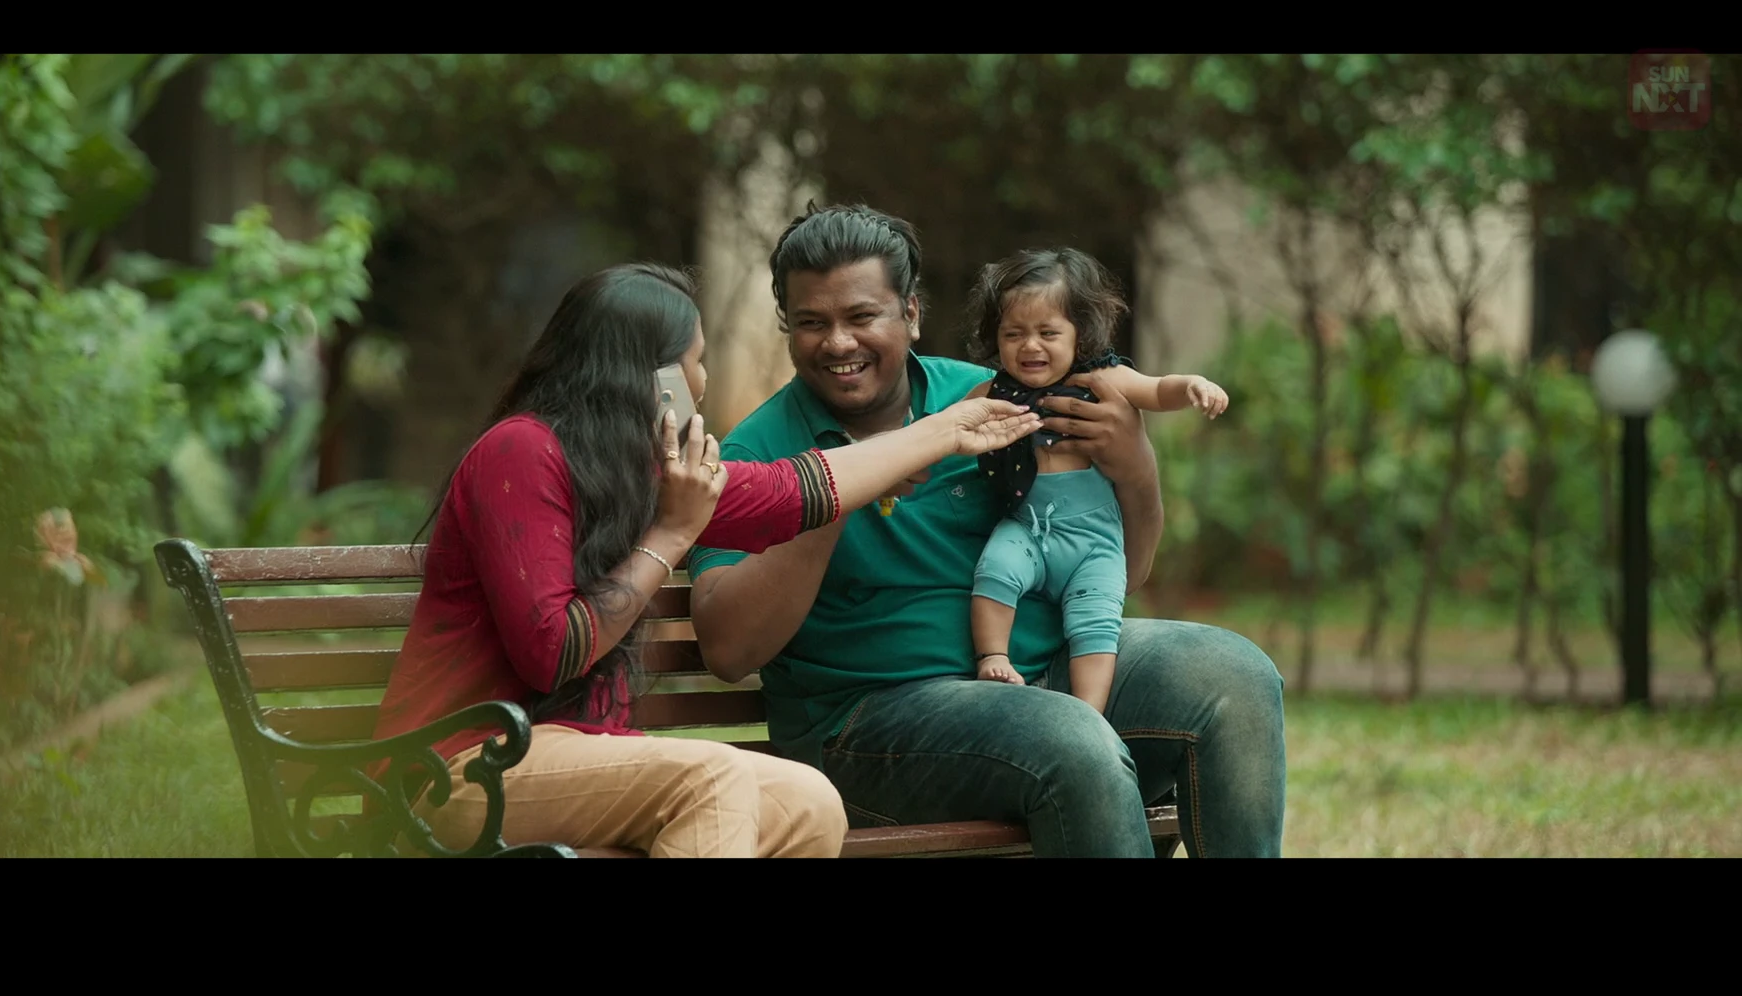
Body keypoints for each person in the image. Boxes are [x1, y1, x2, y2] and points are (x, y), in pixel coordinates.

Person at [367, 261, 1043, 858]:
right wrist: (670, 535)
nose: (702, 380)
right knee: (712, 783)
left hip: (574, 753)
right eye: (696, 361)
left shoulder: (642, 472)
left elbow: (792, 490)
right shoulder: (520, 452)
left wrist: (944, 430)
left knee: (807, 802)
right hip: (459, 766)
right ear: (653, 377)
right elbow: (555, 650)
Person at [686, 204, 1287, 858]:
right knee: (1070, 738)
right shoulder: (757, 452)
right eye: (811, 322)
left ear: (911, 313)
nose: (838, 343)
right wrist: (836, 490)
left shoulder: (993, 401)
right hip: (865, 727)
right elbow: (729, 652)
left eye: (861, 317)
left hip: (1040, 675)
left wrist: (1137, 471)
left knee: (1234, 675)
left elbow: (1124, 573)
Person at [962, 247, 1229, 720]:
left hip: (1093, 542)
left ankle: (1088, 713)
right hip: (1027, 528)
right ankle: (993, 657)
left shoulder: (1103, 378)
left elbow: (1156, 388)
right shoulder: (992, 392)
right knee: (994, 570)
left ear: (1079, 333)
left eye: (1048, 333)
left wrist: (1192, 384)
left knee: (1097, 623)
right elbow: (945, 432)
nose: (1030, 346)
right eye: (1013, 334)